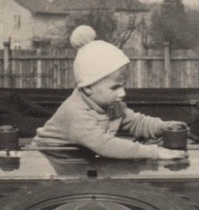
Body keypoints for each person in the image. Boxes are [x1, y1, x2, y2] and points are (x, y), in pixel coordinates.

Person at [34, 26, 186, 160]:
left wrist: (162, 127)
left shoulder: (112, 105)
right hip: (47, 158)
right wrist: (154, 152)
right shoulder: (75, 113)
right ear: (88, 87)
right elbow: (105, 145)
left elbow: (136, 122)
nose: (122, 93)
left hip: (78, 157)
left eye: (123, 86)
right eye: (115, 88)